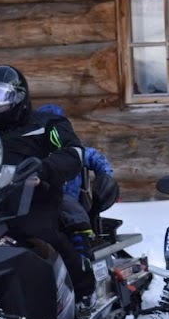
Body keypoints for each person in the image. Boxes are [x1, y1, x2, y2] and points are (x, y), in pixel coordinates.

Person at [0, 65, 96, 303]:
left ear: (18, 96)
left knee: (38, 235)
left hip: (33, 201)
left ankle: (81, 291)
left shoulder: (46, 125)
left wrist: (44, 169)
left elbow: (72, 153)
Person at [35, 104, 118, 254]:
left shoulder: (74, 152)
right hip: (39, 201)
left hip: (67, 200)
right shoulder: (33, 154)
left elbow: (95, 158)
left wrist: (104, 177)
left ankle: (81, 244)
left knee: (70, 208)